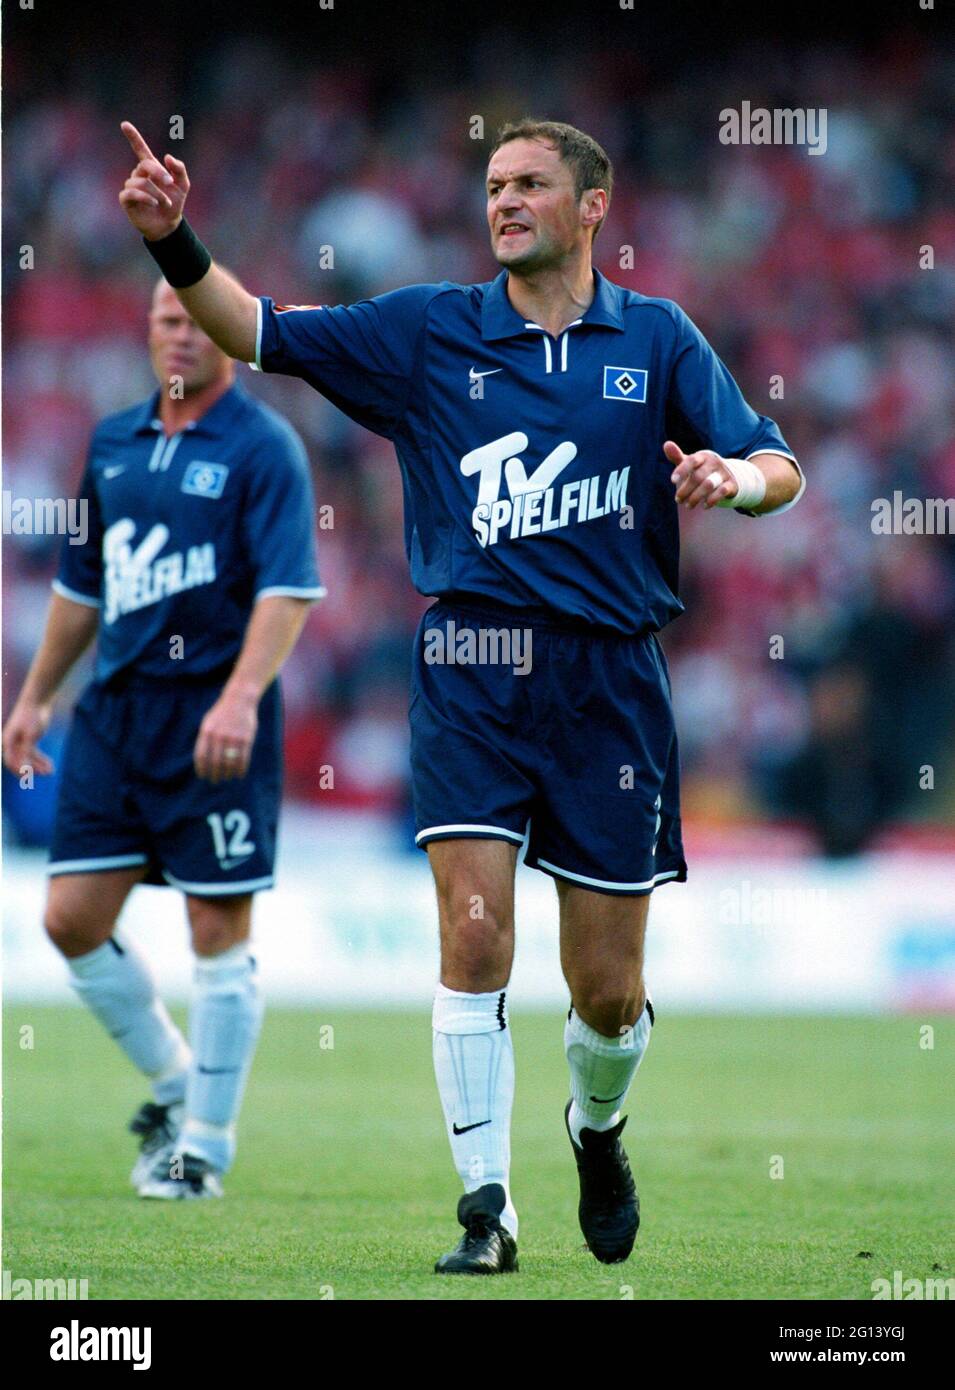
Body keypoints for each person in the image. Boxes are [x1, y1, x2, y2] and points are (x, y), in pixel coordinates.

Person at [116, 116, 803, 1264]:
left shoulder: (658, 338)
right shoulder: (427, 330)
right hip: (472, 664)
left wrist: (731, 477)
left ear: (595, 204)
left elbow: (780, 466)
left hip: (611, 681)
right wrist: (173, 238)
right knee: (473, 942)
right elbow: (258, 331)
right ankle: (486, 1208)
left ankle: (597, 1125)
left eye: (532, 183)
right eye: (494, 183)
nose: (505, 200)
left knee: (607, 995)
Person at [2, 277, 325, 1200]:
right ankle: (181, 1083)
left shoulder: (265, 449)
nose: (178, 335)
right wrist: (32, 699)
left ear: (225, 329)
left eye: (194, 320)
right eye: (164, 320)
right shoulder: (113, 443)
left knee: (215, 927)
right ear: (146, 330)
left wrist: (242, 696)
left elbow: (288, 588)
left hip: (211, 718)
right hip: (114, 713)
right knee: (68, 919)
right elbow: (81, 589)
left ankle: (204, 1149)